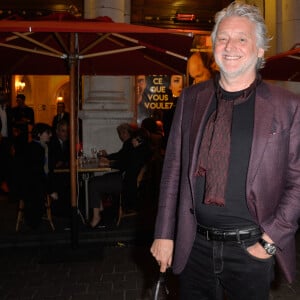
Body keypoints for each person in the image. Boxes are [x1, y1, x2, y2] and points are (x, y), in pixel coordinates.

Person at [150, 2, 300, 300]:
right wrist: (164, 233)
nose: (230, 46)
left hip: (251, 250)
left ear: (259, 50)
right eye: (222, 38)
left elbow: (298, 182)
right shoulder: (191, 98)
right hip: (194, 245)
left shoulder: (287, 107)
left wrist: (269, 242)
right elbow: (173, 172)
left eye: (242, 38)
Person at [88, 126, 151, 228]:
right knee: (99, 179)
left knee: (93, 183)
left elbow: (125, 164)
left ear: (139, 139)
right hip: (127, 180)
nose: (132, 140)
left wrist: (109, 164)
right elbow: (125, 161)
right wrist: (109, 162)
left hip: (127, 183)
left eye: (134, 138)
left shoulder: (138, 152)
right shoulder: (143, 150)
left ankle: (96, 217)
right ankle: (99, 210)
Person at [21, 123, 53, 229]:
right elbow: (37, 172)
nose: (50, 135)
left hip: (35, 181)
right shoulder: (36, 149)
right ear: (39, 135)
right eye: (47, 133)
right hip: (31, 185)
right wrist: (50, 189)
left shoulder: (43, 147)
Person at [48, 119, 70, 217]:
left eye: (67, 131)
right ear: (57, 131)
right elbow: (53, 163)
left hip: (64, 172)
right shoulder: (51, 143)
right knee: (64, 182)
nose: (65, 134)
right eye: (63, 131)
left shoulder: (69, 143)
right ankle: (60, 211)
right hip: (53, 174)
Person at [0, 88, 13, 194]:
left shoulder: (8, 109)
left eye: (3, 94)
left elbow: (10, 124)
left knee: (6, 162)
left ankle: (5, 184)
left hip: (6, 139)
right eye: (1, 94)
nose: (3, 96)